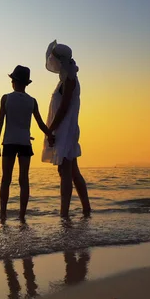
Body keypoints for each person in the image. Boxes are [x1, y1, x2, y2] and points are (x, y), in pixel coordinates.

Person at [0, 65, 54, 222]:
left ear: (13, 81)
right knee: (24, 180)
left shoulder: (6, 98)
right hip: (24, 144)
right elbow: (41, 124)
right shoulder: (32, 101)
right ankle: (21, 216)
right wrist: (51, 135)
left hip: (9, 143)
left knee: (6, 179)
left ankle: (3, 215)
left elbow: (0, 122)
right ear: (26, 83)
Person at [42, 40, 91, 219]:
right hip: (66, 129)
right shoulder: (67, 79)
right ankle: (86, 209)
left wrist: (51, 129)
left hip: (65, 130)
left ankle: (65, 213)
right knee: (72, 171)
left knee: (65, 172)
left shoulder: (69, 80)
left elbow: (63, 108)